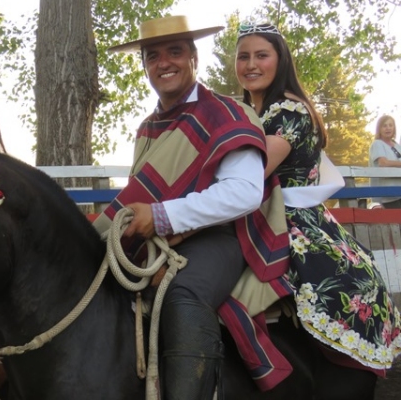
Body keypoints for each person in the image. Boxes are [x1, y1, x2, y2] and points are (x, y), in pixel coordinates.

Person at [95, 15, 292, 399]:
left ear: (194, 58)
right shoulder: (148, 127)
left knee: (182, 292)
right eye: (153, 56)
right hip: (165, 237)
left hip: (224, 234)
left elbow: (243, 193)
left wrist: (163, 217)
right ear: (145, 67)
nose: (164, 63)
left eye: (175, 52)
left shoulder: (226, 113)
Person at [235, 23, 401, 373]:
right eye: (243, 56)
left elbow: (247, 176)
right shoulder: (255, 111)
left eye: (261, 55)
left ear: (280, 61)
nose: (251, 64)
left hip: (288, 220)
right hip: (266, 212)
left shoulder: (287, 112)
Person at [369, 115, 401, 208]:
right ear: (379, 129)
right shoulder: (377, 144)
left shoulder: (397, 146)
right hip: (386, 196)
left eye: (391, 125)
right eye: (384, 126)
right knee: (395, 221)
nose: (388, 128)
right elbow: (383, 162)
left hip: (399, 193)